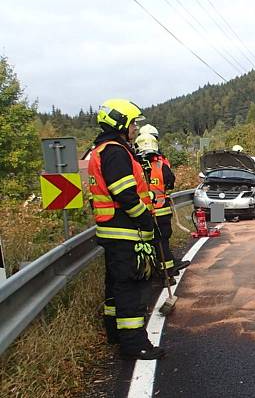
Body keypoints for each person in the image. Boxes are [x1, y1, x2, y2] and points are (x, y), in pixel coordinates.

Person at [88, 98, 164, 360]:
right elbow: (124, 193)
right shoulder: (116, 152)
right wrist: (145, 220)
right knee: (131, 289)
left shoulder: (102, 149)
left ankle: (114, 333)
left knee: (115, 285)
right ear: (120, 124)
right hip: (124, 231)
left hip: (111, 231)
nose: (134, 129)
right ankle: (134, 345)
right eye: (132, 123)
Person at [134, 132, 188, 277]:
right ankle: (167, 274)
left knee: (148, 244)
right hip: (162, 212)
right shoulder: (161, 165)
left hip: (141, 212)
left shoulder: (135, 166)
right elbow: (170, 183)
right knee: (162, 242)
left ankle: (153, 272)